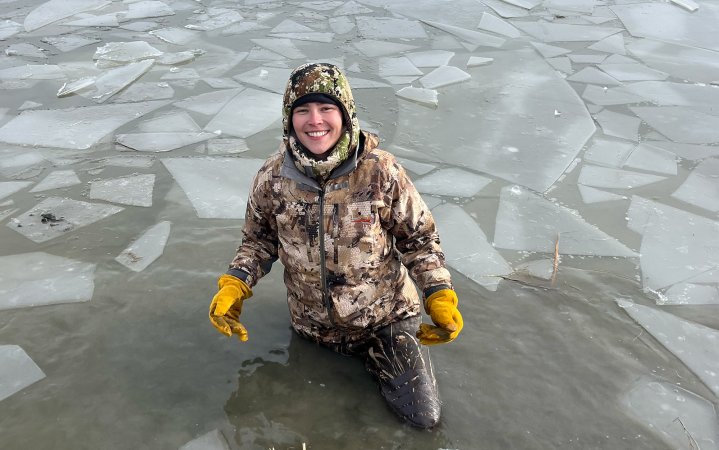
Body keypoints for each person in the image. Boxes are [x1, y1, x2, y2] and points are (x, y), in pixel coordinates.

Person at [209, 62, 463, 429]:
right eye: (303, 110)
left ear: (345, 113)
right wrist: (235, 284)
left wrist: (438, 294)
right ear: (289, 118)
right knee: (315, 424)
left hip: (385, 322)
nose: (315, 121)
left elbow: (420, 241)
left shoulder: (381, 172)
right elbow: (258, 241)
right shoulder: (272, 177)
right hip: (311, 328)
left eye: (327, 108)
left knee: (423, 421)